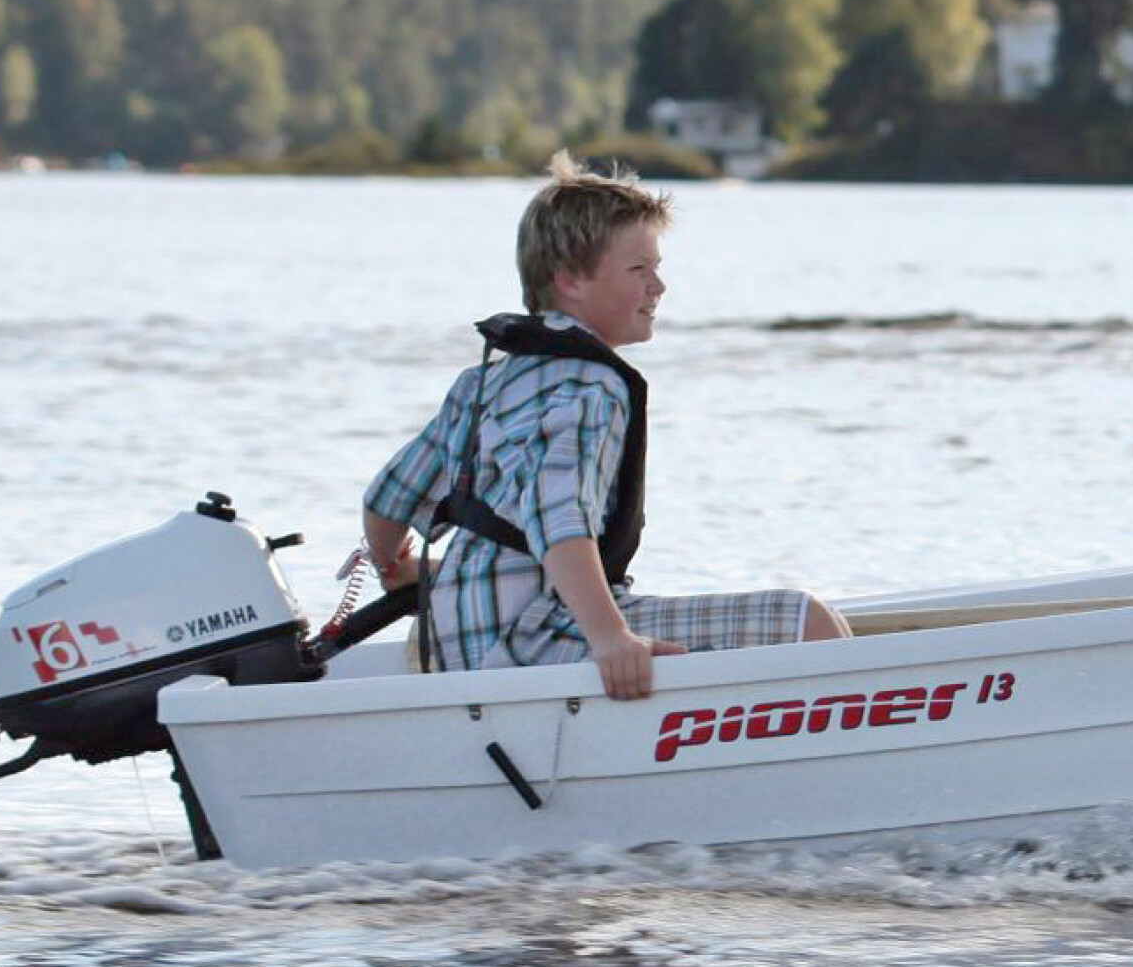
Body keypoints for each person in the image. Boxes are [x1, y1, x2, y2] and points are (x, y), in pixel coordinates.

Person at [358, 151, 849, 699]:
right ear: (571, 283)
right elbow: (556, 516)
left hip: (459, 647)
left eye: (657, 269)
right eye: (639, 270)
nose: (658, 287)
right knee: (806, 621)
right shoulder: (590, 386)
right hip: (532, 644)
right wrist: (611, 637)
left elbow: (386, 500)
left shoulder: (483, 383)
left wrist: (392, 568)